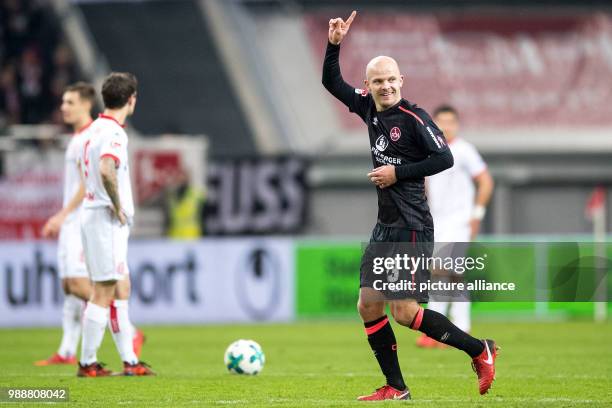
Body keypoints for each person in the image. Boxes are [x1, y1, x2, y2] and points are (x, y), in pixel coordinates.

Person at [322, 11, 499, 400]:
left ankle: (479, 349)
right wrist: (334, 44)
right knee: (369, 305)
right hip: (386, 224)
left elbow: (444, 159)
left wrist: (396, 173)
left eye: (391, 80)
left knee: (403, 313)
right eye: (378, 81)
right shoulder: (369, 107)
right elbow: (331, 81)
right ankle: (396, 388)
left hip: (412, 225)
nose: (385, 86)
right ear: (368, 85)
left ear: (401, 80)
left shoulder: (415, 118)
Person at [78, 72, 153, 377]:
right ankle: (87, 362)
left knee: (121, 286)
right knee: (104, 290)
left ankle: (130, 361)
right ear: (131, 99)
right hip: (104, 217)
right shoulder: (114, 134)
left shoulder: (94, 128)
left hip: (95, 214)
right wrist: (118, 205)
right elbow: (107, 169)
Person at [418, 105, 494, 348]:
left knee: (447, 270)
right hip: (436, 221)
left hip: (459, 220)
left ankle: (453, 328)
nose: (446, 127)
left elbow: (486, 181)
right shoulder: (431, 151)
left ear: (457, 125)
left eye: (450, 122)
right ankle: (442, 330)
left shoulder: (464, 150)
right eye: (441, 122)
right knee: (443, 274)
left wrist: (476, 215)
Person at [35, 82, 94, 366]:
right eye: (63, 102)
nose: (63, 107)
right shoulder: (76, 138)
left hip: (81, 220)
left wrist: (61, 215)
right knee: (68, 287)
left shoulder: (89, 138)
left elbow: (87, 184)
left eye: (70, 102)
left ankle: (127, 327)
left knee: (77, 283)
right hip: (71, 220)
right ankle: (67, 351)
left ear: (86, 104)